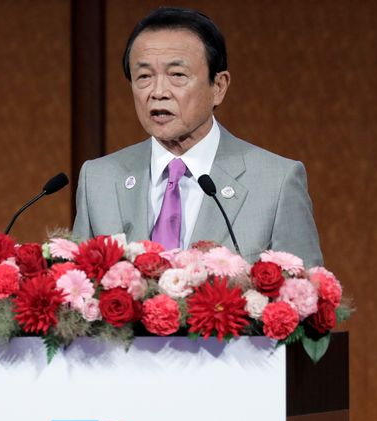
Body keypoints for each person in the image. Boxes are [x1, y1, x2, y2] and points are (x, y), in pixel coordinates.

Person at [72, 6, 323, 266]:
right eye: (144, 76)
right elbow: (77, 297)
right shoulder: (98, 180)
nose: (158, 92)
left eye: (177, 75)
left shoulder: (276, 182)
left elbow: (306, 297)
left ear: (219, 87)